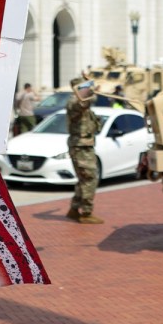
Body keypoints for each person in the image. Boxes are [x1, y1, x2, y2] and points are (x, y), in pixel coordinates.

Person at [66, 77, 103, 224]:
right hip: (80, 146)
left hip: (84, 145)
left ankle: (74, 209)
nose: (88, 88)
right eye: (85, 87)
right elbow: (81, 103)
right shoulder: (74, 102)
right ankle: (86, 213)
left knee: (84, 179)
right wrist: (91, 93)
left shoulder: (82, 103)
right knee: (90, 179)